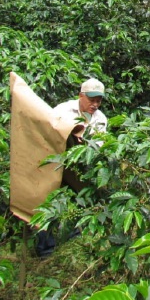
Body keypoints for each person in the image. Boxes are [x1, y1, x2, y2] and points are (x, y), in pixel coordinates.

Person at [38, 78, 108, 257]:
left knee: (79, 202)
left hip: (79, 168)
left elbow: (98, 146)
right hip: (56, 163)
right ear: (80, 96)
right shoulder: (63, 110)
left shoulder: (100, 119)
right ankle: (45, 247)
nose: (95, 104)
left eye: (99, 100)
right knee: (50, 202)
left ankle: (72, 238)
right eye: (91, 100)